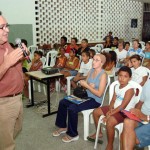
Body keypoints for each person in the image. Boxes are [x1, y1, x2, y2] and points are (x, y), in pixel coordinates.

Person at [52, 54, 107, 143]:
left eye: (97, 60)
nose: (93, 61)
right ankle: (63, 126)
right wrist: (85, 85)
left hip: (94, 100)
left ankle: (73, 134)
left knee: (72, 108)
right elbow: (85, 86)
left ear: (102, 63)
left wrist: (88, 87)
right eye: (93, 59)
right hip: (85, 96)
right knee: (63, 102)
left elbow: (100, 94)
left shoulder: (103, 75)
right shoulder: (91, 71)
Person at [87, 66, 137, 150]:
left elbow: (122, 107)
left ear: (130, 78)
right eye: (120, 75)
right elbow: (113, 100)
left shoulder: (130, 89)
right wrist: (110, 110)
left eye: (125, 76)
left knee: (110, 122)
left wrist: (109, 115)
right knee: (95, 112)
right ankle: (99, 132)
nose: (122, 78)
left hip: (125, 112)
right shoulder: (117, 86)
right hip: (115, 108)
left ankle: (110, 144)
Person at [0, 12, 28, 150]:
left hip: (17, 98)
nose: (7, 30)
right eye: (2, 27)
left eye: (7, 25)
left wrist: (21, 57)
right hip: (4, 103)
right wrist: (6, 63)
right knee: (7, 144)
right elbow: (7, 65)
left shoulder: (5, 44)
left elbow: (13, 64)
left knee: (16, 130)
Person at [121, 77, 150, 150]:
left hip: (147, 118)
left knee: (130, 137)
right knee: (127, 122)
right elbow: (140, 102)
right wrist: (134, 112)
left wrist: (145, 117)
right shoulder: (148, 83)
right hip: (144, 117)